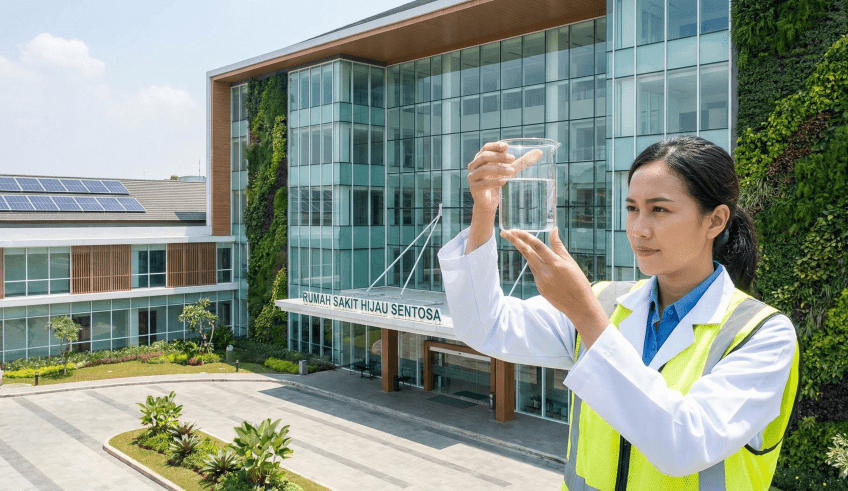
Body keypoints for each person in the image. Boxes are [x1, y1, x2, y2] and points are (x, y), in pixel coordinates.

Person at [437, 136, 800, 490]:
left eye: (660, 209)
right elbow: (486, 326)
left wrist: (586, 317)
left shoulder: (762, 335)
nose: (639, 229)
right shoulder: (605, 301)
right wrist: (484, 212)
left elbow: (684, 445)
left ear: (715, 221)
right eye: (632, 208)